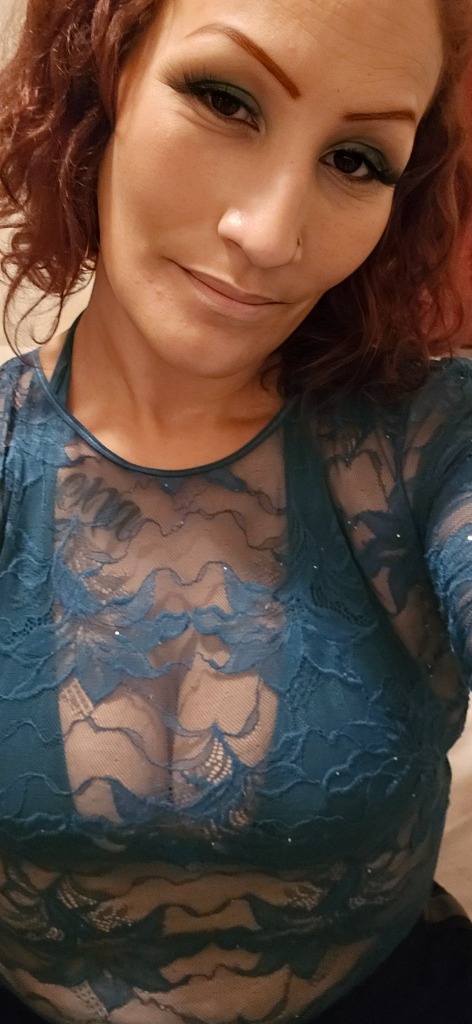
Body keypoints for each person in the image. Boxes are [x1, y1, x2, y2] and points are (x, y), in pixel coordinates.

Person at [0, 0, 472, 1021]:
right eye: (224, 99)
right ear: (103, 80)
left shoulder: (431, 441)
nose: (267, 236)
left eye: (355, 160)